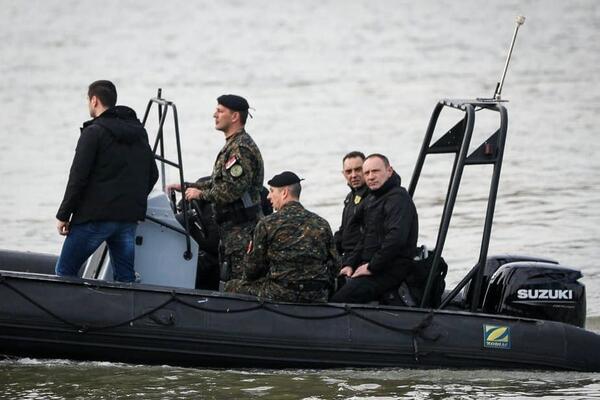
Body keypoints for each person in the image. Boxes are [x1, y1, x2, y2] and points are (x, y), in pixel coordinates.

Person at [55, 80, 159, 282]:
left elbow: (78, 177)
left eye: (88, 100)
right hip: (127, 219)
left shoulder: (93, 133)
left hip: (95, 218)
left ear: (94, 100)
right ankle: (126, 313)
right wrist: (132, 201)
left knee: (64, 271)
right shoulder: (139, 133)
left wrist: (63, 215)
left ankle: (73, 313)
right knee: (124, 278)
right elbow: (152, 174)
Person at [166, 95, 264, 281]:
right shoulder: (233, 145)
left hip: (242, 230)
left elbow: (231, 189)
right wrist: (186, 186)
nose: (214, 115)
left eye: (220, 111)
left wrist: (200, 194)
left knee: (240, 279)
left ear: (234, 117)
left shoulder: (240, 149)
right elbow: (217, 181)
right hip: (231, 229)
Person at [225, 171, 339, 303]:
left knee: (231, 286)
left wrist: (249, 256)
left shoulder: (267, 224)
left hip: (280, 293)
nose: (268, 196)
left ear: (284, 193)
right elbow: (335, 266)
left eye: (272, 191)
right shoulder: (322, 223)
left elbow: (252, 271)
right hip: (317, 294)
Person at [330, 154, 418, 304]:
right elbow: (364, 238)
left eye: (375, 171)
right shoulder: (372, 199)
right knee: (334, 286)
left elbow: (396, 239)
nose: (370, 177)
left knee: (341, 299)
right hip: (372, 264)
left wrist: (371, 267)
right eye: (367, 173)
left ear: (389, 171)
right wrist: (350, 264)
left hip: (392, 268)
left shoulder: (398, 198)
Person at [333, 151, 369, 257]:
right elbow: (343, 231)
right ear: (343, 174)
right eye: (348, 171)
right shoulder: (350, 197)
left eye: (358, 170)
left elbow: (369, 236)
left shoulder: (373, 196)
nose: (353, 175)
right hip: (347, 255)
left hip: (361, 256)